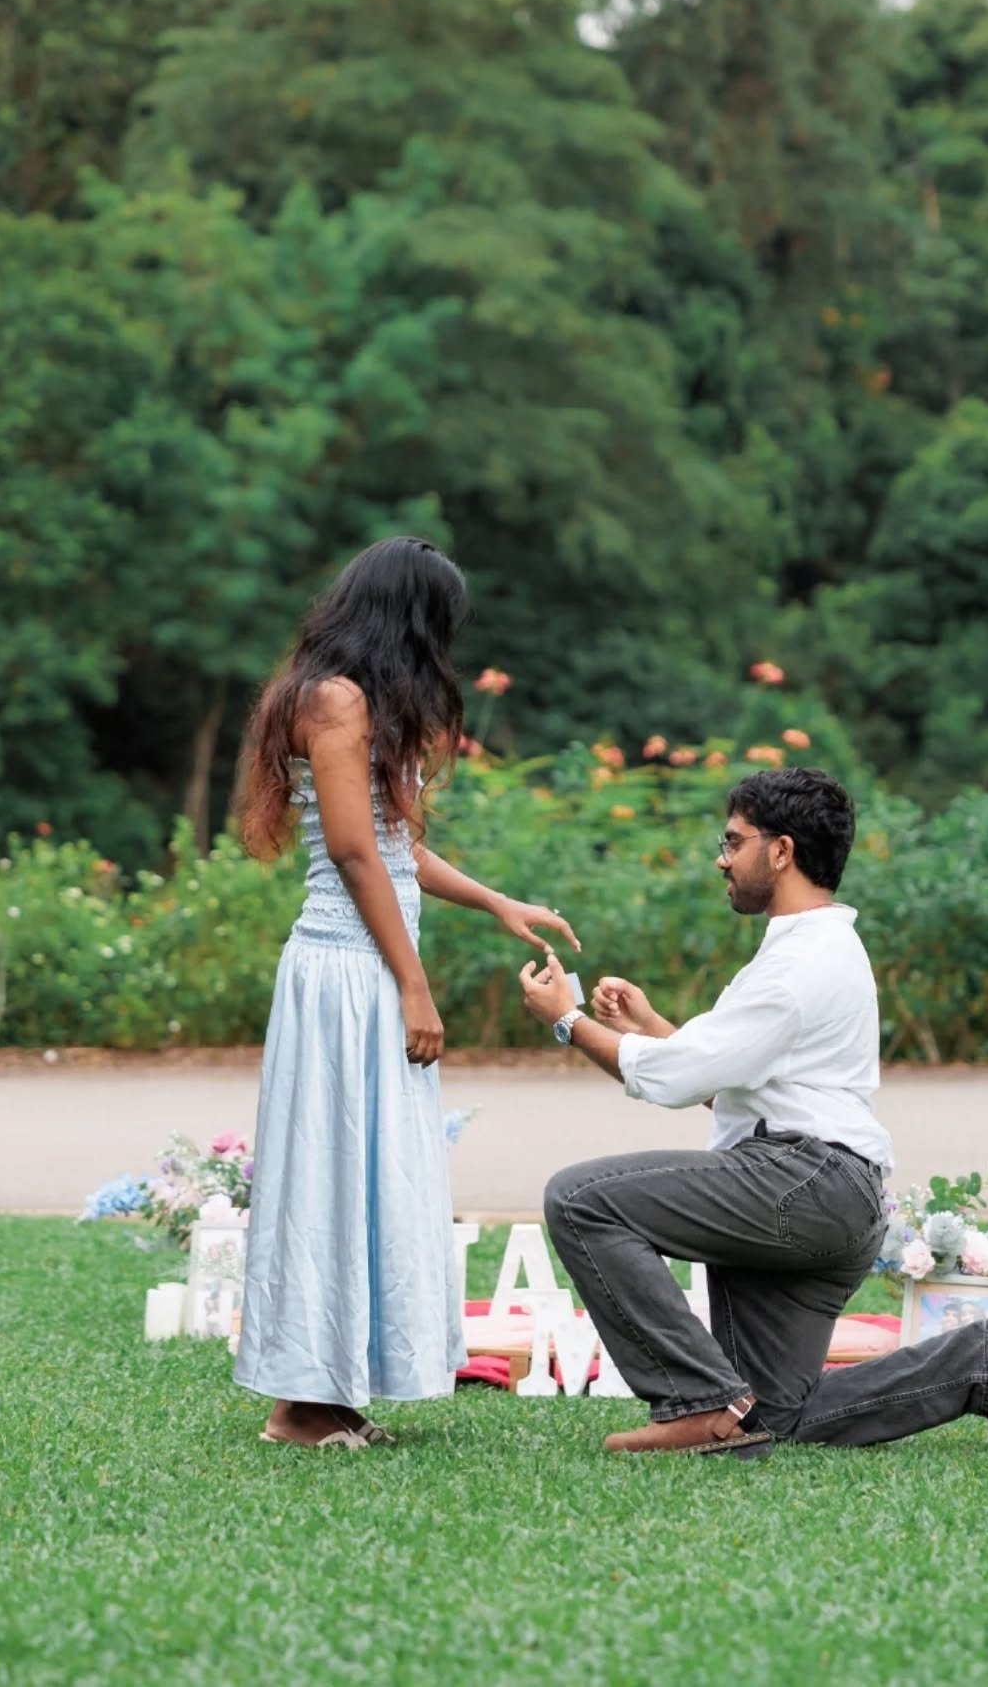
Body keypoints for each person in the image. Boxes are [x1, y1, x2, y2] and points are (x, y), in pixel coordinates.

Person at [519, 766, 988, 1460]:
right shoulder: (819, 950)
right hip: (829, 1191)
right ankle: (982, 1364)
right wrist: (652, 1026)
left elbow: (680, 1081)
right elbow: (739, 1086)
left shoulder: (800, 962)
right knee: (775, 1414)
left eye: (733, 840)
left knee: (582, 1199)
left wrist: (567, 1022)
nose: (721, 857)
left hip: (804, 1182)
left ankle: (699, 1403)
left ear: (781, 851)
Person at [234, 537, 579, 1449]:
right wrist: (412, 985)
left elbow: (392, 848)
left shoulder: (348, 700)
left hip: (366, 966)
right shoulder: (335, 700)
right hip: (347, 971)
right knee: (333, 1173)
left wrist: (495, 901)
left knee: (362, 1174)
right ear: (408, 619)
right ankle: (301, 1404)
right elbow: (350, 855)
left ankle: (322, 1397)